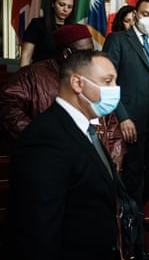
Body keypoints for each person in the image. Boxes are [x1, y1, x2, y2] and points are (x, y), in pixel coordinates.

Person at [7, 50, 121, 260]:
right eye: (107, 81)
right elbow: (38, 232)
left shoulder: (87, 130)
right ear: (78, 83)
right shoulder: (44, 139)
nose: (114, 90)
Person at [103, 0, 149, 259]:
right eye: (145, 14)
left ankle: (133, 213)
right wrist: (122, 116)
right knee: (134, 175)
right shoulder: (119, 40)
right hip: (132, 117)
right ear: (135, 13)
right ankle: (139, 244)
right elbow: (107, 80)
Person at [0, 24, 125, 166]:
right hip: (52, 160)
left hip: (93, 158)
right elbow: (8, 107)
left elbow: (110, 120)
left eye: (92, 52)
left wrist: (115, 154)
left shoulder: (92, 74)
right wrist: (41, 139)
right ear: (67, 53)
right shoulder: (32, 76)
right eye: (84, 53)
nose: (90, 58)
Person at [19, 0, 76, 67]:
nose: (65, 9)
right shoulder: (37, 24)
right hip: (40, 74)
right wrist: (23, 77)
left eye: (69, 7)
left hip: (65, 76)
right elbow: (26, 56)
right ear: (53, 3)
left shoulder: (73, 29)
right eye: (61, 5)